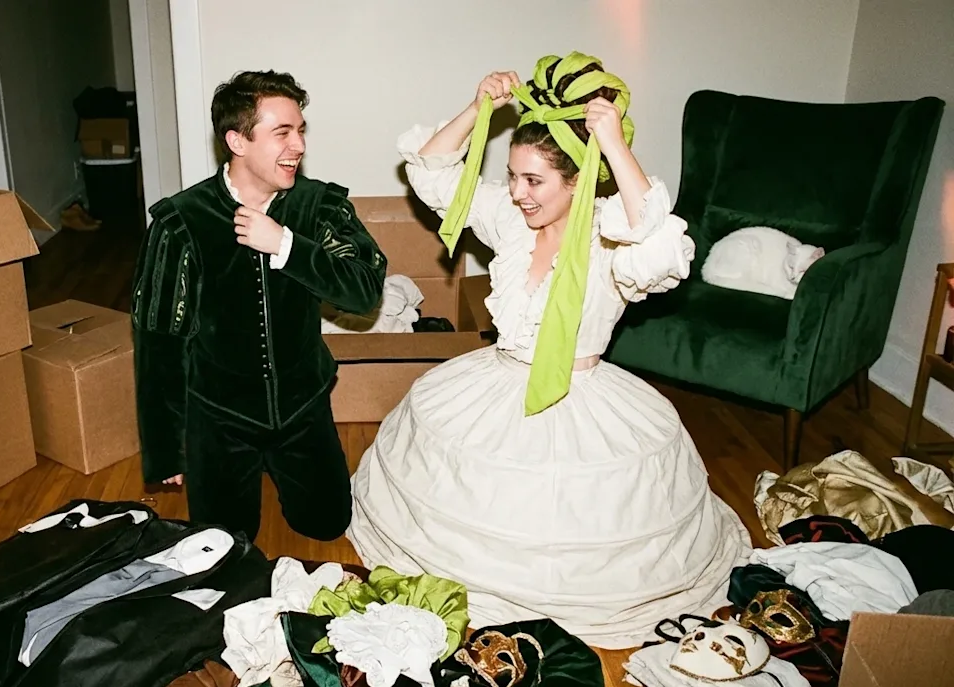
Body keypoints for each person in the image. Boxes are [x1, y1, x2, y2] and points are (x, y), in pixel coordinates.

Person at [345, 53, 752, 648]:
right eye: (512, 175)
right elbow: (431, 169)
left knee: (567, 523)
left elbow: (664, 249)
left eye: (533, 181)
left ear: (578, 179)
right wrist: (478, 107)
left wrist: (614, 145)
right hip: (498, 380)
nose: (517, 192)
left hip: (580, 394)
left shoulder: (614, 236)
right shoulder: (511, 222)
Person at [131, 70, 388, 543]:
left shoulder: (318, 206)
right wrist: (166, 448)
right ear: (237, 141)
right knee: (225, 545)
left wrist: (287, 245)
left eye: (301, 130)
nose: (299, 146)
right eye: (282, 132)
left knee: (328, 525)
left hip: (302, 405)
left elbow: (365, 289)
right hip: (219, 417)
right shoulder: (181, 222)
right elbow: (159, 338)